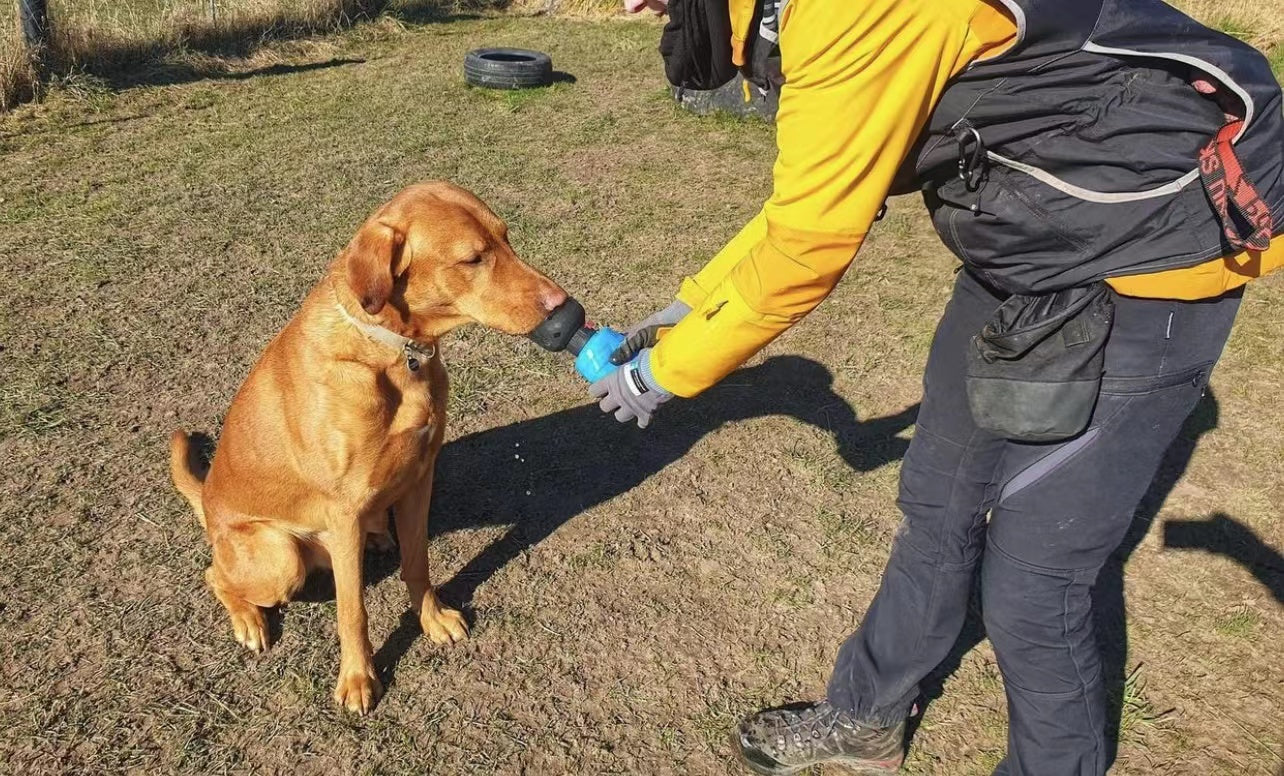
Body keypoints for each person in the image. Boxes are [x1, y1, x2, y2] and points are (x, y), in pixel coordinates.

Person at [591, 0, 1284, 774]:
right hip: (1026, 251)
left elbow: (810, 248)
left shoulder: (846, 11)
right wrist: (697, 300)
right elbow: (817, 196)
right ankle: (863, 721)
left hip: (1150, 264)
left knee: (1034, 584)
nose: (628, 5)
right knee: (938, 502)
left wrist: (665, 374)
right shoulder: (803, 15)